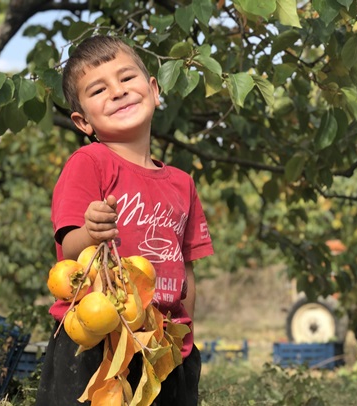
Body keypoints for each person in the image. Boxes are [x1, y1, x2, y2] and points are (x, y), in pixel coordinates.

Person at [36, 35, 215, 406]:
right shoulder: (89, 163)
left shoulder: (183, 183)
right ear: (82, 121)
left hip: (160, 342)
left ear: (154, 90)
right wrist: (90, 231)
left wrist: (187, 334)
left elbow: (186, 270)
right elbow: (68, 248)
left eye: (127, 78)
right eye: (99, 88)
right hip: (95, 339)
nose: (118, 92)